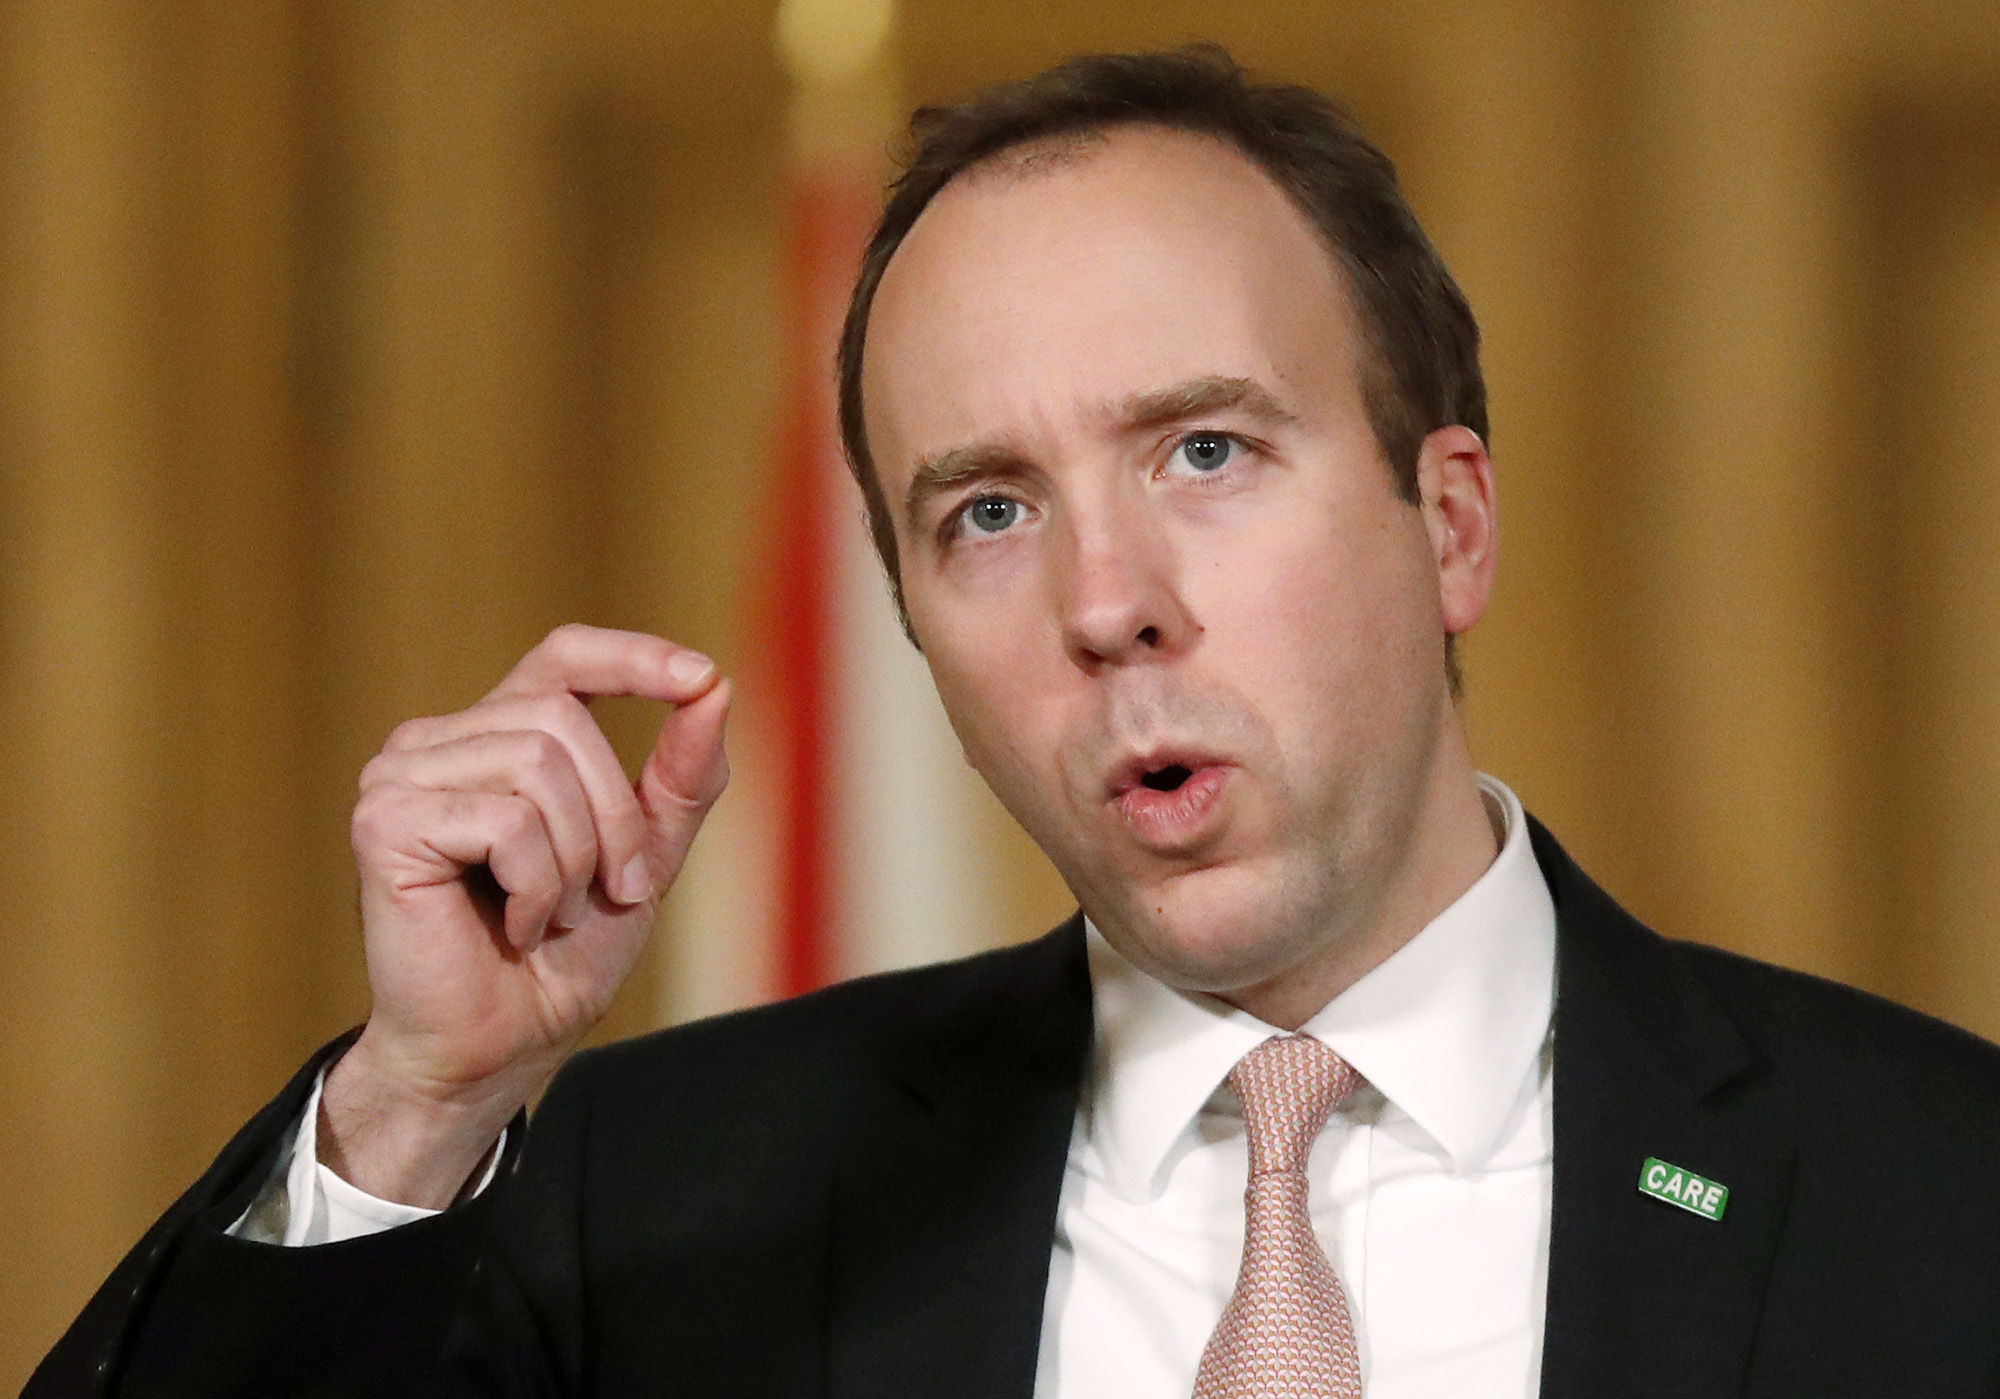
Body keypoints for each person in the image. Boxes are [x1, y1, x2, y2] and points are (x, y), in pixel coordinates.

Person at [29, 45, 2000, 1399]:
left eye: (1206, 448)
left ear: (1450, 522)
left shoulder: (1939, 1195)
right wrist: (411, 1109)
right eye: (985, 510)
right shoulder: (665, 1198)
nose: (1100, 596)